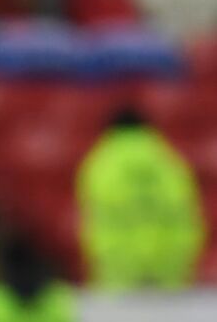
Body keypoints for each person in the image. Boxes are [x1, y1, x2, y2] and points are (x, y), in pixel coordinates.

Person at [77, 108, 206, 290]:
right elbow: (187, 211)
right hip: (170, 266)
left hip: (118, 267)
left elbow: (92, 215)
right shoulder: (171, 161)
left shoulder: (98, 165)